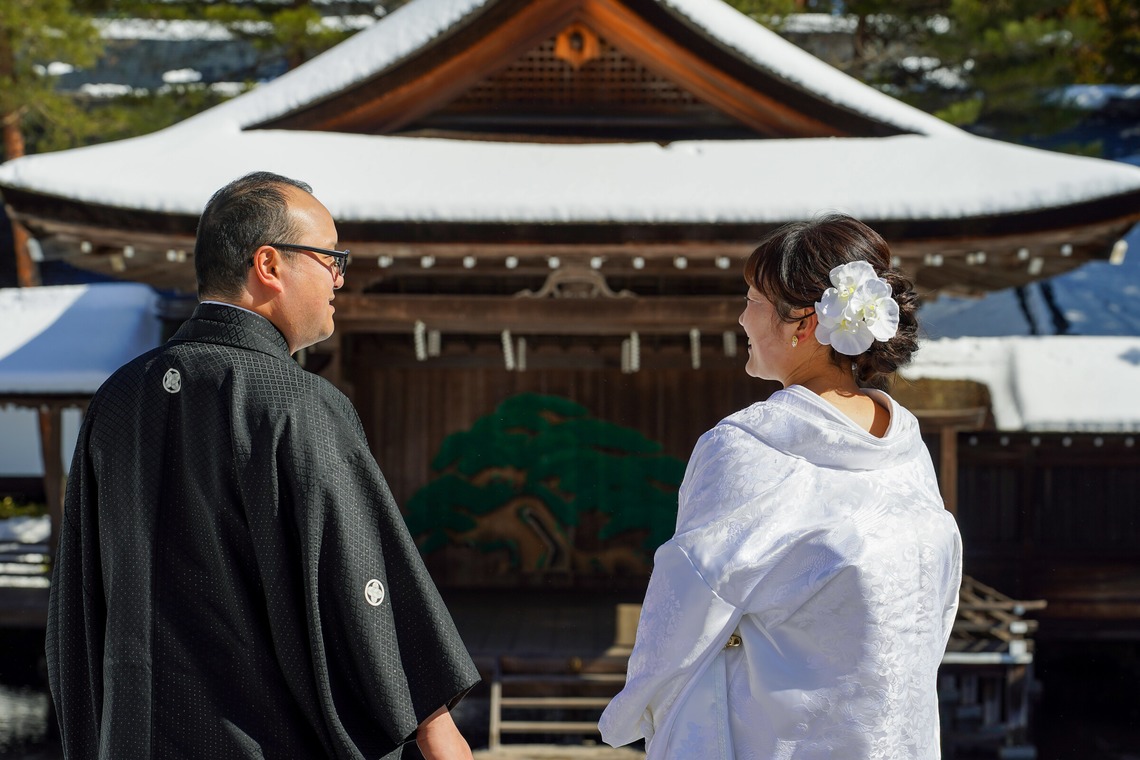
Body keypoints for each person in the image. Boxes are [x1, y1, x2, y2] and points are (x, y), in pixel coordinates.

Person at [46, 171, 480, 759]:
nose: (340, 278)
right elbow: (361, 584)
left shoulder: (118, 400)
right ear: (269, 264)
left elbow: (76, 605)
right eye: (330, 258)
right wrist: (434, 724)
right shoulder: (295, 402)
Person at [599, 214, 962, 758]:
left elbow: (688, 600)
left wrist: (634, 708)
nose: (741, 317)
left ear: (803, 324)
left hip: (782, 738)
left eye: (752, 300)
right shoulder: (904, 447)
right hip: (896, 734)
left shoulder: (749, 446)